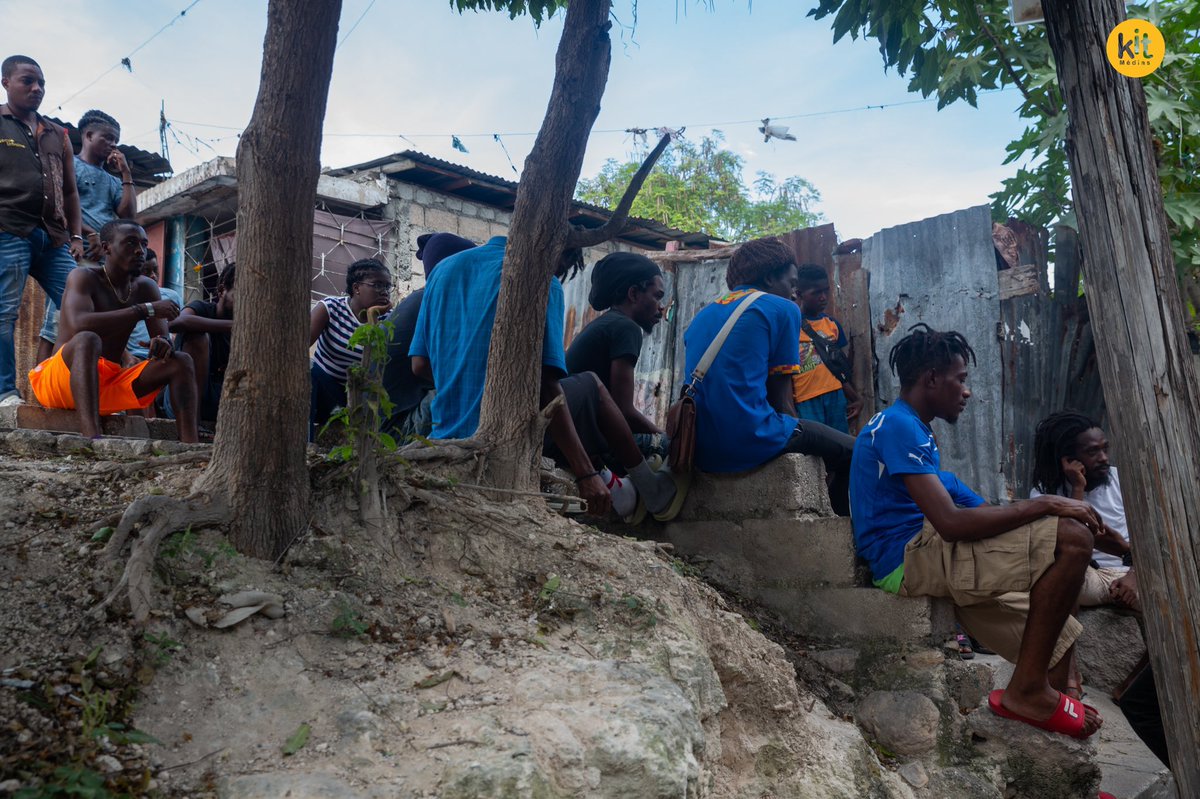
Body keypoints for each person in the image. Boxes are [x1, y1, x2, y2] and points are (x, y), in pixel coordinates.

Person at [850, 323, 1107, 739]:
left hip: (922, 551)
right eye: (961, 379)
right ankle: (1026, 692)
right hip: (906, 557)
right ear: (932, 379)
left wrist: (1044, 514)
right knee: (1072, 540)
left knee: (1059, 631)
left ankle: (1051, 735)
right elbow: (950, 524)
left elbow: (981, 516)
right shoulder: (897, 425)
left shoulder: (913, 429)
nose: (967, 391)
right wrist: (1045, 503)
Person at [409, 236, 686, 522]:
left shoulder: (443, 270)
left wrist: (467, 378)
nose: (559, 275)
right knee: (590, 384)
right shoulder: (541, 283)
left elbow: (419, 366)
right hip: (505, 432)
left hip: (445, 432)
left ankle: (616, 484)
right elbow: (547, 386)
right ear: (556, 250)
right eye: (564, 266)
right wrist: (585, 474)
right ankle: (651, 490)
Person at [682, 237, 855, 514]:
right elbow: (782, 401)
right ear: (769, 277)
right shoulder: (782, 309)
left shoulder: (704, 314)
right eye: (792, 284)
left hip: (700, 447)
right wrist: (806, 442)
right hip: (749, 438)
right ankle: (844, 529)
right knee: (857, 452)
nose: (793, 294)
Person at [26, 219, 197, 442]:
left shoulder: (146, 287)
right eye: (131, 243)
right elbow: (79, 324)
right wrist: (143, 310)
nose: (140, 251)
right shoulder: (83, 277)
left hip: (106, 387)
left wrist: (162, 343)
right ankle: (93, 439)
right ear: (106, 247)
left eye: (144, 244)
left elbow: (161, 335)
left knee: (181, 361)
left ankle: (191, 446)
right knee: (87, 339)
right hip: (61, 382)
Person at [0, 55, 84, 402]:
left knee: (80, 307)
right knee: (4, 311)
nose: (37, 88)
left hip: (53, 237)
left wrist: (76, 235)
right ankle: (5, 393)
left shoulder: (57, 133)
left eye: (42, 83)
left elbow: (69, 190)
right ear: (6, 82)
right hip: (8, 229)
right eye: (27, 81)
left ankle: (69, 392)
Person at [36, 108, 137, 364]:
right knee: (57, 322)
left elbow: (128, 216)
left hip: (105, 262)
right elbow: (60, 205)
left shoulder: (113, 182)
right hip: (78, 255)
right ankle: (39, 388)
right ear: (89, 135)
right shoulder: (72, 167)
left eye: (116, 139)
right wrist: (85, 235)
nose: (113, 144)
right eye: (107, 137)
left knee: (96, 325)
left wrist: (125, 174)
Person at [1031, 412, 1139, 610]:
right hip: (1087, 577)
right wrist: (1077, 488)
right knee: (1057, 582)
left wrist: (1134, 577)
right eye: (1092, 452)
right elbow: (1066, 544)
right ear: (1069, 459)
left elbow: (1154, 542)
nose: (1104, 458)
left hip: (1132, 572)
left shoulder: (1123, 480)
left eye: (1105, 448)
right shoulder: (1044, 495)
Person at [565, 251, 666, 448]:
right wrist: (665, 437)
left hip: (574, 435)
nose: (661, 307)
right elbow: (624, 412)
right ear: (633, 294)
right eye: (657, 296)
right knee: (676, 450)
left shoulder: (607, 323)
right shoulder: (625, 328)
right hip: (587, 441)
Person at [381, 233, 475, 438]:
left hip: (383, 424)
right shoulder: (433, 303)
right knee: (476, 389)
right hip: (399, 428)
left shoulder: (421, 299)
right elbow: (421, 366)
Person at [310, 258, 393, 436]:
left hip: (362, 400)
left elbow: (377, 364)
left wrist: (373, 317)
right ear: (356, 288)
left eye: (387, 286)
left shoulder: (389, 320)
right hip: (326, 391)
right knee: (309, 372)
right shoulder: (331, 308)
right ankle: (305, 443)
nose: (384, 292)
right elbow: (299, 344)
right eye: (377, 285)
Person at [792, 263, 862, 434]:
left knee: (839, 447)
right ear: (800, 294)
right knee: (814, 453)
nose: (823, 297)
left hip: (836, 396)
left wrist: (856, 398)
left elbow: (838, 369)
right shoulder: (791, 326)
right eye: (816, 293)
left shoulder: (832, 325)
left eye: (826, 291)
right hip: (805, 399)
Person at [167, 263, 235, 425]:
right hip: (183, 398)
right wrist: (233, 325)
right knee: (197, 337)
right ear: (221, 290)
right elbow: (177, 322)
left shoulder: (250, 326)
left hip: (223, 399)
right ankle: (193, 425)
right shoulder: (202, 308)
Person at [125, 249, 182, 362]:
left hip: (164, 355)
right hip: (136, 357)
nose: (153, 276)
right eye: (146, 271)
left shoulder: (171, 296)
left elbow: (178, 327)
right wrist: (127, 357)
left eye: (156, 270)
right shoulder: (125, 298)